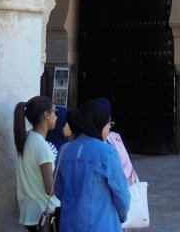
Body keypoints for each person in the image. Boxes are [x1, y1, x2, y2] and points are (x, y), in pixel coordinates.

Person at [54, 99, 130, 231]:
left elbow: (58, 189)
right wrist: (122, 216)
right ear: (97, 124)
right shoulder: (107, 152)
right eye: (108, 123)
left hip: (69, 224)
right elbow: (121, 193)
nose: (109, 127)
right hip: (101, 225)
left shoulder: (64, 150)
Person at [15, 96, 61, 231]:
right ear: (46, 115)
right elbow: (50, 190)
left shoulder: (26, 138)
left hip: (30, 212)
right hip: (45, 214)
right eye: (55, 112)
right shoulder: (42, 146)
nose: (57, 117)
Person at [95, 99, 138, 185]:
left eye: (110, 122)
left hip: (124, 182)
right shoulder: (92, 144)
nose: (109, 126)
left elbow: (127, 161)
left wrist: (125, 177)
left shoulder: (116, 138)